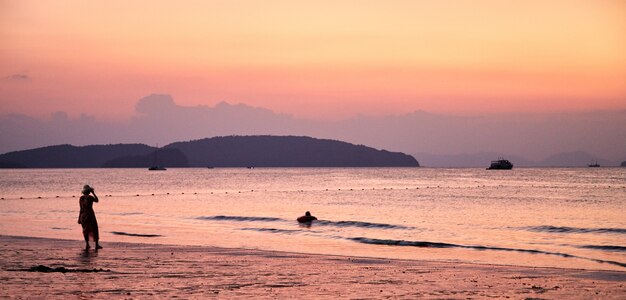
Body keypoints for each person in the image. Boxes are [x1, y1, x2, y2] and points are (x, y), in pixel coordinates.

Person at [77, 184, 102, 250]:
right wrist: (93, 193)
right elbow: (97, 200)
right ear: (89, 191)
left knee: (85, 230)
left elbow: (81, 209)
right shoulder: (90, 197)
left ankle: (87, 244)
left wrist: (79, 218)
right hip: (90, 215)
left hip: (83, 216)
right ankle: (96, 245)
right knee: (94, 229)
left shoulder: (81, 198)